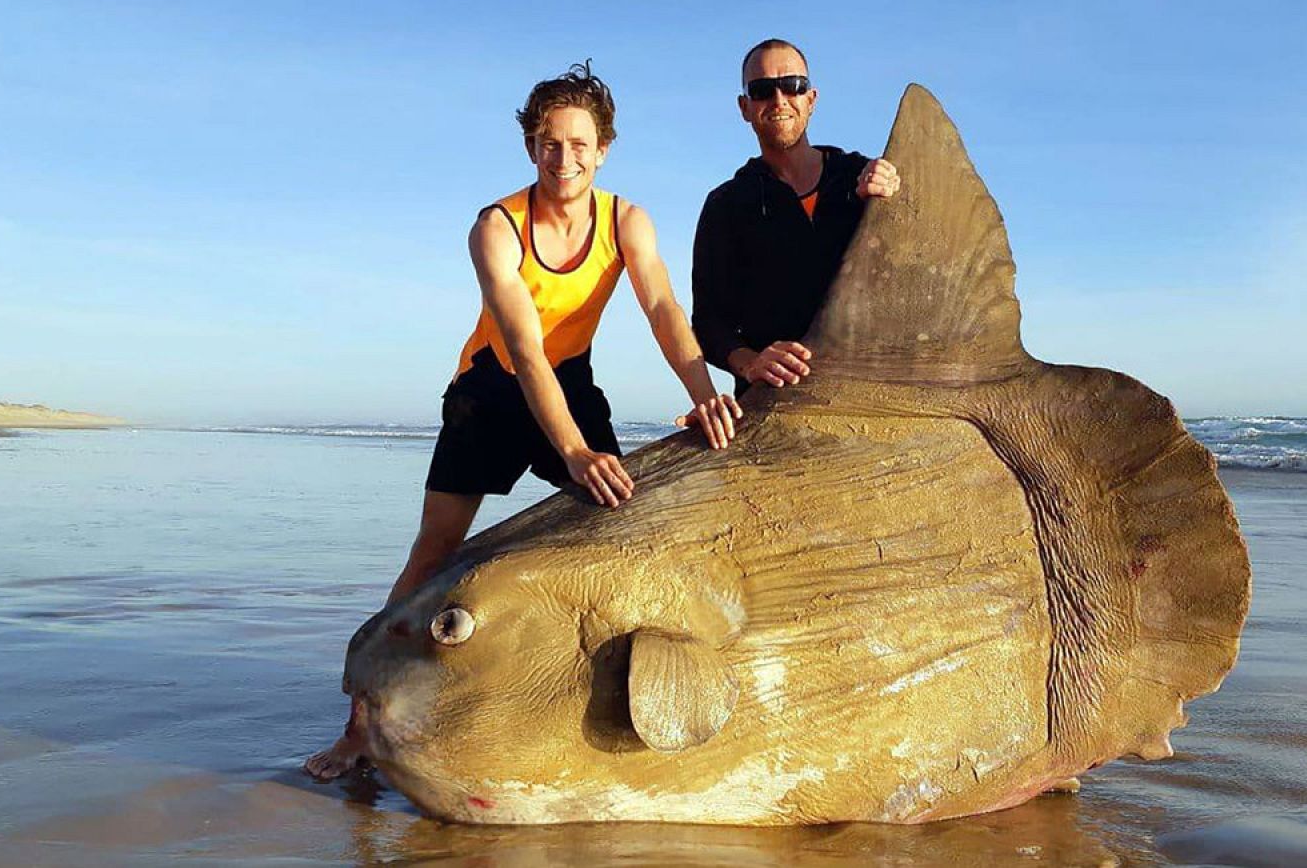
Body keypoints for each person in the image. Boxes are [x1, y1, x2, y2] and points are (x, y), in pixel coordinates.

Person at [304, 62, 741, 780]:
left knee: (618, 522)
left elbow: (663, 311)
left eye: (578, 144)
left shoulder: (627, 220)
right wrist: (571, 450)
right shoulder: (497, 227)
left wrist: (704, 389)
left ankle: (581, 701)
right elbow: (525, 349)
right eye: (547, 143)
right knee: (435, 551)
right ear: (531, 147)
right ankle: (361, 723)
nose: (562, 159)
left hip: (569, 379)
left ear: (603, 149)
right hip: (491, 388)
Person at [692, 39, 901, 395]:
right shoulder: (725, 205)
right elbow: (709, 323)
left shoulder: (861, 177)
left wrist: (895, 198)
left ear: (811, 99)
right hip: (778, 400)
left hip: (872, 391)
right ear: (745, 107)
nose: (778, 101)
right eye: (761, 91)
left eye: (792, 86)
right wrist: (751, 362)